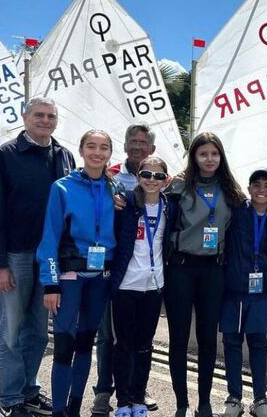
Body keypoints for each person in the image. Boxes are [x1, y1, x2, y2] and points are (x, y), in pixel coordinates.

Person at [0, 97, 75, 417]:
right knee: (11, 331)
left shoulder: (64, 155)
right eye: (39, 115)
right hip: (16, 256)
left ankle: (29, 391)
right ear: (25, 117)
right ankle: (10, 399)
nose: (46, 120)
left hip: (49, 259)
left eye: (51, 116)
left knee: (37, 331)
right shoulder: (5, 156)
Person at [37, 130, 119, 417]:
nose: (98, 153)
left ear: (110, 153)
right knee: (63, 347)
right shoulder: (62, 187)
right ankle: (59, 411)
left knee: (86, 344)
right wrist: (50, 285)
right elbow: (49, 238)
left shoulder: (115, 189)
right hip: (69, 278)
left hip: (101, 278)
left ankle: (74, 409)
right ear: (82, 151)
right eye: (92, 147)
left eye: (104, 148)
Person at [165, 132, 247, 417]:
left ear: (221, 157)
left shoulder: (231, 190)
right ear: (194, 157)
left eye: (214, 154)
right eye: (203, 154)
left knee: (208, 340)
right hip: (181, 269)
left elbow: (253, 216)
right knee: (178, 338)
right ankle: (181, 404)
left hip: (213, 270)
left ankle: (204, 402)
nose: (209, 159)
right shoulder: (177, 186)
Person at [93, 124, 158, 416]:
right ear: (125, 144)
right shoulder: (112, 176)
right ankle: (105, 391)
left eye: (143, 142)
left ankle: (136, 391)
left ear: (151, 149)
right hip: (114, 267)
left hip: (146, 276)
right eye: (132, 141)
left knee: (138, 339)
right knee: (109, 336)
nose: (137, 146)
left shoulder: (160, 180)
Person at [110, 156, 178, 417]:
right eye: (146, 174)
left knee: (144, 345)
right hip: (126, 284)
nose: (152, 180)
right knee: (123, 345)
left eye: (159, 176)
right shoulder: (126, 203)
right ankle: (122, 400)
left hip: (154, 285)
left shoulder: (170, 207)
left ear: (166, 181)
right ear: (138, 177)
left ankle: (139, 396)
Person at [220, 168, 267, 417]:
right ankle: (234, 398)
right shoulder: (237, 212)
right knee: (232, 344)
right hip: (233, 291)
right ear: (248, 189)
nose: (261, 189)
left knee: (259, 345)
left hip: (261, 294)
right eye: (256, 184)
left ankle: (260, 399)